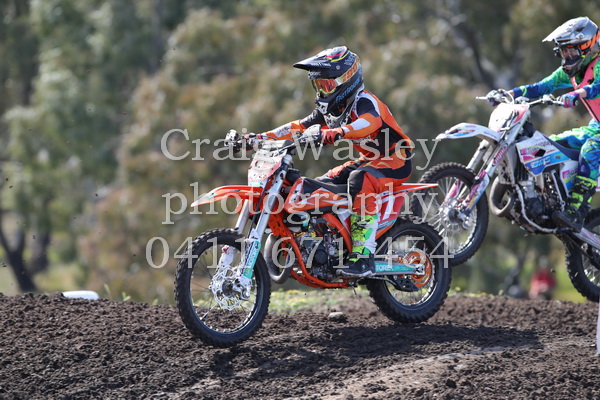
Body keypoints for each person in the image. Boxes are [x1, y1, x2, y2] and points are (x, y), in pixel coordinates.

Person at [255, 46, 414, 277]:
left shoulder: (364, 101)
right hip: (369, 159)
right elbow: (296, 127)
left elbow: (369, 122)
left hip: (396, 160)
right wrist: (258, 138)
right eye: (318, 86)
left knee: (361, 179)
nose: (322, 91)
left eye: (327, 85)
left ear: (346, 80)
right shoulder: (331, 110)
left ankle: (363, 255)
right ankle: (330, 242)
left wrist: (340, 131)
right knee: (321, 184)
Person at [489, 16, 600, 232]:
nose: (567, 57)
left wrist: (577, 93)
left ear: (587, 46)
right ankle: (546, 199)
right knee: (550, 145)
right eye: (563, 52)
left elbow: (597, 86)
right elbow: (542, 86)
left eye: (571, 51)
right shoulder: (571, 71)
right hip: (596, 126)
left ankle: (576, 211)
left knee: (591, 149)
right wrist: (508, 94)